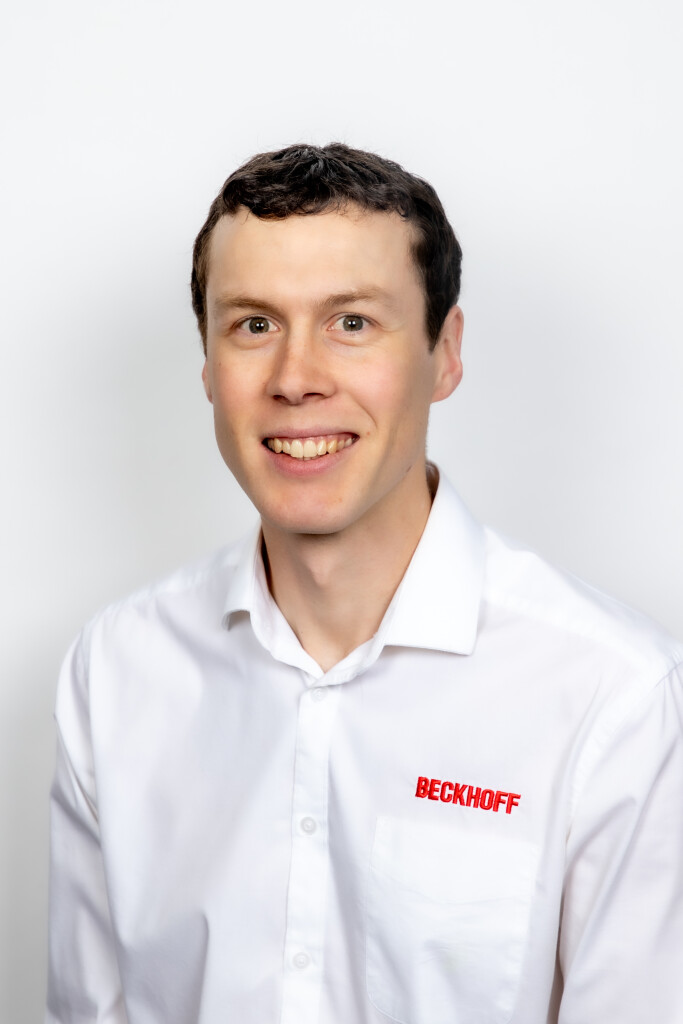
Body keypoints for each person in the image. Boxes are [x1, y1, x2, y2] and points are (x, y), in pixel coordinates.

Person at [46, 143, 683, 1024]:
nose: (295, 380)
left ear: (444, 353)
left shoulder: (612, 697)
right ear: (207, 365)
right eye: (253, 325)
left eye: (350, 322)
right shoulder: (117, 670)